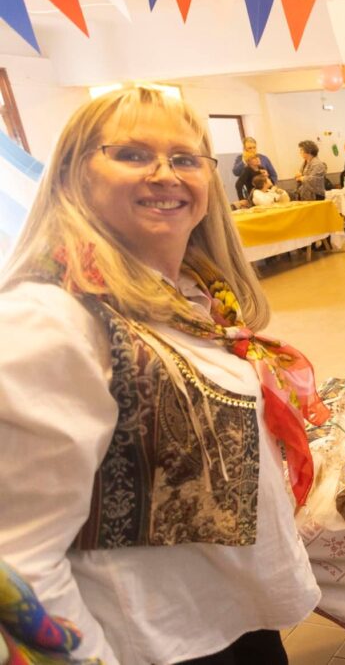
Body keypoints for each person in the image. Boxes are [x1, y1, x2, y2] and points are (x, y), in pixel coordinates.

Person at [0, 87, 325, 664]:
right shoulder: (52, 318)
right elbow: (17, 565)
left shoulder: (192, 295)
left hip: (226, 617)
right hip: (153, 644)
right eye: (130, 154)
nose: (163, 174)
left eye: (184, 158)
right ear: (74, 175)